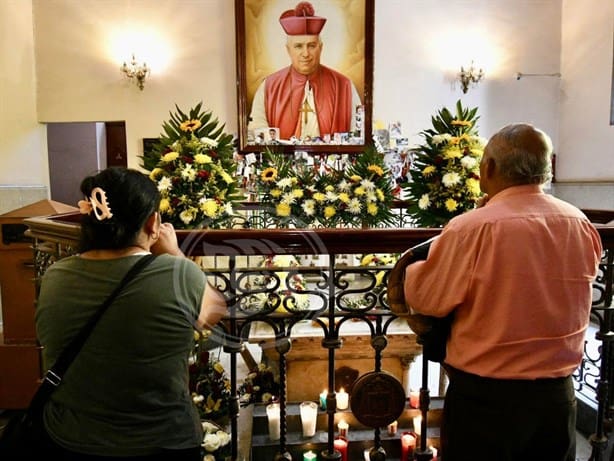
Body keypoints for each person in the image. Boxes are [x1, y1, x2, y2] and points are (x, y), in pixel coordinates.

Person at [402, 123, 603, 461]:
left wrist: (412, 268)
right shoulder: (579, 223)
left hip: (487, 401)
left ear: (489, 169)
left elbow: (427, 299)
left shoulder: (473, 227)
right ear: (548, 167)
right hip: (557, 397)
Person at [35, 167, 227, 460]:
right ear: (153, 222)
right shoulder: (178, 272)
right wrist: (174, 253)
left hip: (70, 438)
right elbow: (215, 311)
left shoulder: (55, 275)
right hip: (162, 440)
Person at [248, 1, 362, 142]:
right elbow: (257, 129)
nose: (305, 53)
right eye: (298, 46)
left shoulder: (344, 86)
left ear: (320, 48)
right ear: (288, 50)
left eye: (311, 46)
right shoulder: (269, 87)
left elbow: (358, 131)